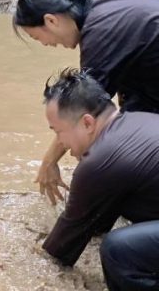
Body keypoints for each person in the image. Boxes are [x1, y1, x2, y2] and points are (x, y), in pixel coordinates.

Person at [13, 0, 159, 204]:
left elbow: (81, 112)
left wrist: (49, 162)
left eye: (37, 37)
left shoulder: (99, 34)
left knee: (101, 135)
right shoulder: (103, 13)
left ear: (51, 20)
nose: (45, 44)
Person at [40, 69, 159, 290]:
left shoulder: (99, 161)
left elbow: (60, 248)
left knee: (119, 250)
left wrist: (34, 262)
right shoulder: (137, 119)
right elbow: (97, 221)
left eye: (58, 132)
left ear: (87, 123)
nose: (61, 143)